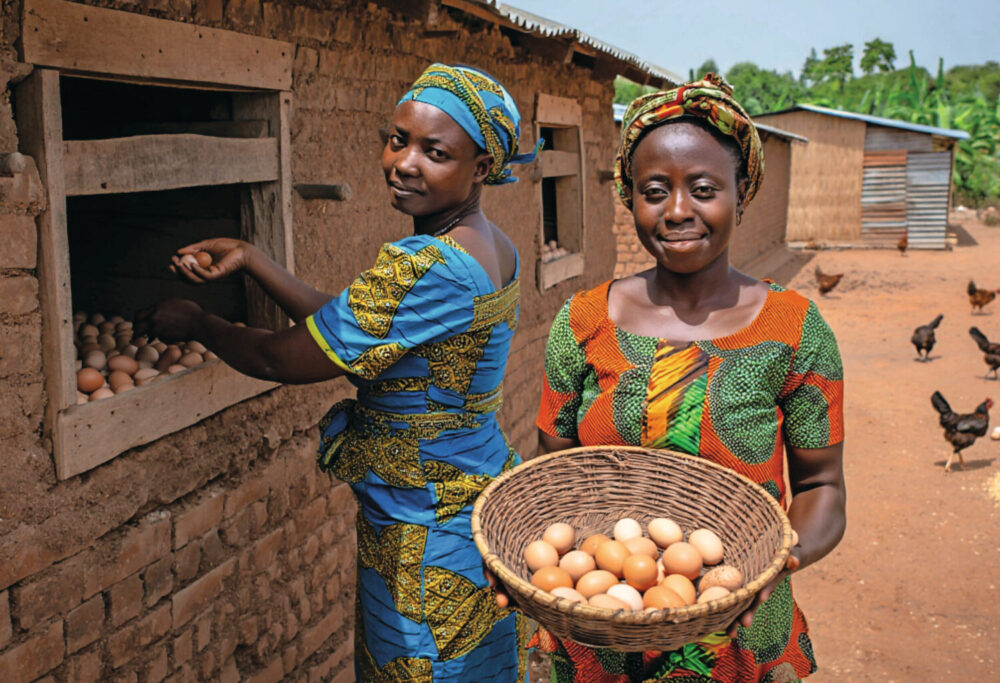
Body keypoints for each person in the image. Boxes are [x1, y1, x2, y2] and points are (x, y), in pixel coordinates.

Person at [137, 63, 539, 682]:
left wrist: (200, 325)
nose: (403, 163)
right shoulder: (492, 245)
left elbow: (282, 357)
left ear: (481, 167)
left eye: (434, 152)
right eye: (397, 139)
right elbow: (362, 325)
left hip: (426, 533)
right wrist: (253, 259)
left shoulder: (428, 264)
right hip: (467, 501)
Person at [529, 75, 846, 682]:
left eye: (703, 189)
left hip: (737, 633)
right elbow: (554, 479)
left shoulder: (794, 329)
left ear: (742, 191)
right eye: (655, 191)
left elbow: (823, 487)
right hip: (596, 631)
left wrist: (776, 563)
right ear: (628, 197)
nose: (677, 211)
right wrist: (535, 568)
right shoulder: (583, 322)